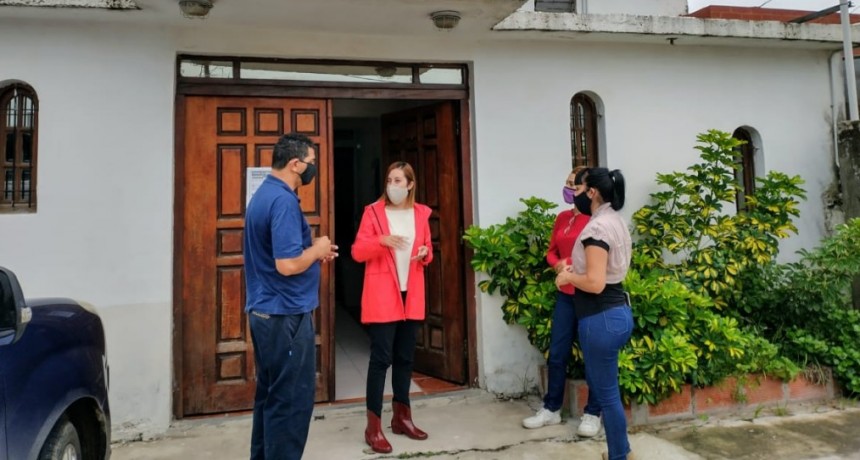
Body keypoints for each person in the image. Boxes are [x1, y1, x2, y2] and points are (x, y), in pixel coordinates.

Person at [244, 133, 338, 460]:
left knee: (271, 398)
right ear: (296, 164)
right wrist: (318, 248)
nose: (313, 169)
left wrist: (313, 253)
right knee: (291, 403)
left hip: (267, 312)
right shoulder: (282, 200)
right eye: (311, 162)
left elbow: (285, 254)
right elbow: (286, 265)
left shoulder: (264, 194)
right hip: (285, 315)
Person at [351, 161, 433, 454]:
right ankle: (373, 428)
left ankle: (402, 418)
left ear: (410, 184)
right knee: (380, 359)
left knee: (405, 358)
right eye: (389, 180)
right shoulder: (373, 212)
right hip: (383, 294)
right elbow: (357, 252)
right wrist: (381, 240)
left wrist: (425, 252)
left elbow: (427, 249)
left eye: (398, 180)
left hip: (411, 293)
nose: (392, 185)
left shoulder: (421, 213)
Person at [555, 168, 634, 460]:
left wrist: (567, 277)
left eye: (578, 189)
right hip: (617, 313)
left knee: (608, 396)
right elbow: (604, 270)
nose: (574, 194)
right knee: (610, 392)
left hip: (601, 318)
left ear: (592, 192)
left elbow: (595, 282)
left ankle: (619, 456)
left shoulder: (596, 229)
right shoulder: (615, 220)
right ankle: (622, 451)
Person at [522, 167, 602, 438]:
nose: (569, 189)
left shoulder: (595, 221)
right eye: (567, 183)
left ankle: (593, 413)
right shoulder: (562, 218)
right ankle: (551, 408)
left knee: (592, 355)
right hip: (565, 294)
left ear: (588, 190)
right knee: (557, 353)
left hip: (588, 295)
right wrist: (558, 264)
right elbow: (551, 251)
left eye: (574, 185)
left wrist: (573, 266)